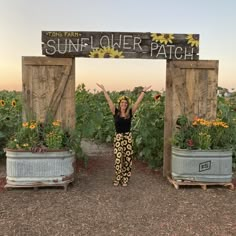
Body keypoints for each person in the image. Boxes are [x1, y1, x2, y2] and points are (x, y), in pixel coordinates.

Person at [96, 83, 151, 187]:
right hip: (118, 137)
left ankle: (125, 179)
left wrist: (143, 91)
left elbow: (138, 103)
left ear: (127, 104)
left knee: (127, 159)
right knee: (118, 159)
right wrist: (103, 89)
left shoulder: (130, 112)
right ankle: (117, 178)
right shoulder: (115, 112)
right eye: (122, 102)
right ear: (119, 103)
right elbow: (109, 101)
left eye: (125, 103)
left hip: (127, 137)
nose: (124, 104)